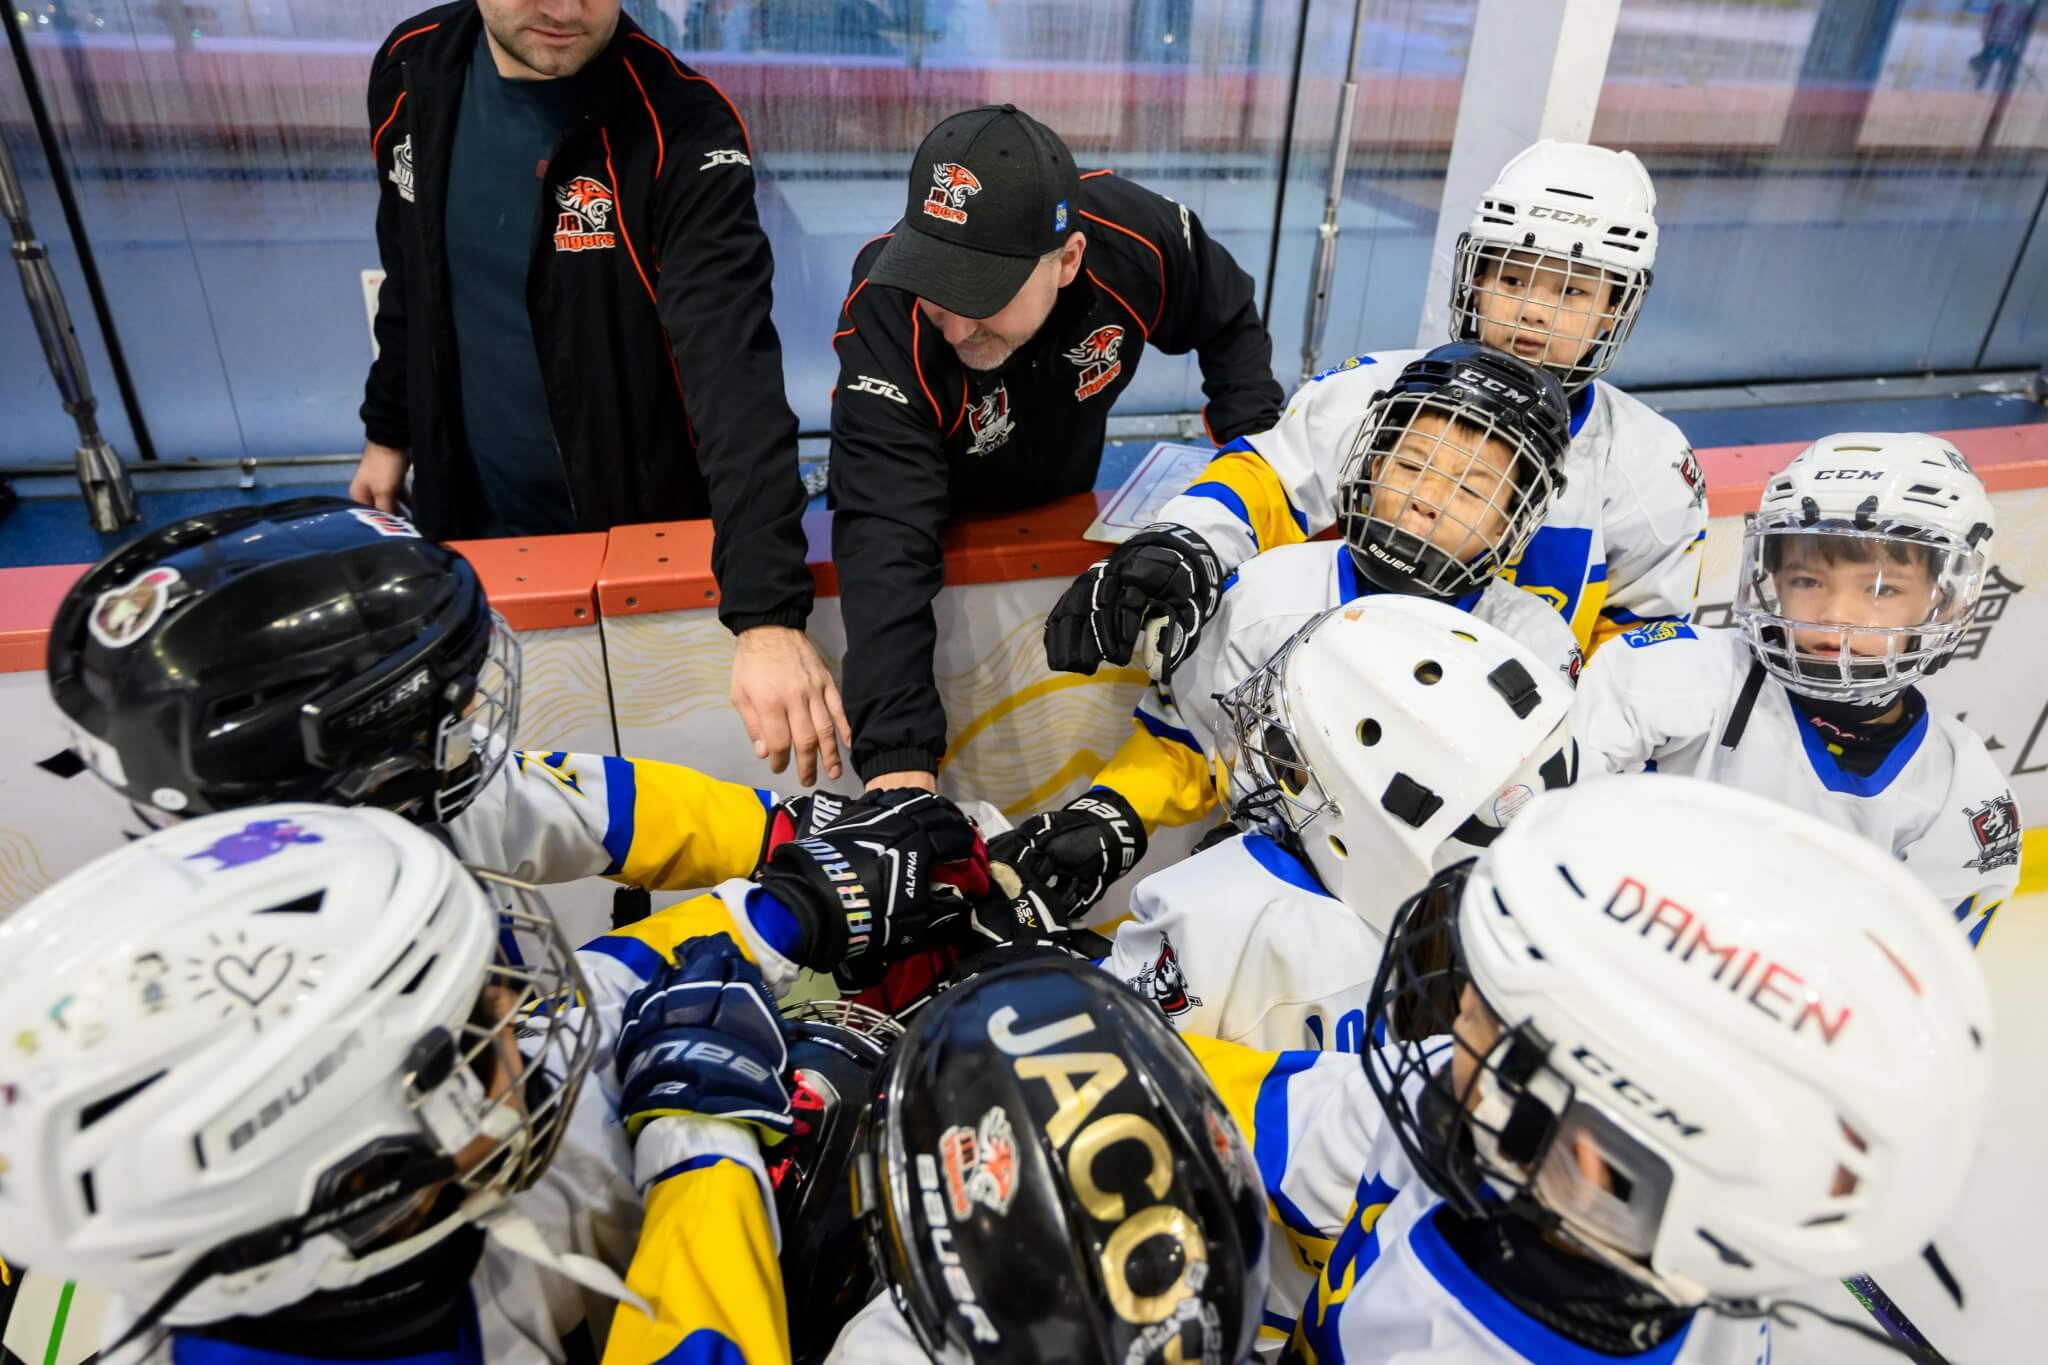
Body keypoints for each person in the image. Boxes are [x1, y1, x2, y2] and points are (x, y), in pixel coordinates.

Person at [567, 775, 1994, 1363]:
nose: (1448, 1028)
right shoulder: (1517, 1144)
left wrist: (702, 1152)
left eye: (1492, 1027)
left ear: (1605, 1160)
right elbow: (1264, 1107)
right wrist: (1030, 988)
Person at [0, 783, 989, 1364]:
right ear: (363, 1171)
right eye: (485, 1014)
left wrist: (779, 911)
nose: (519, 1005)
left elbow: (559, 1030)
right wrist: (705, 1150)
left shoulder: (243, 1234)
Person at [354, 0, 847, 784]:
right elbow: (409, 267)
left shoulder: (683, 126)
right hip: (469, 520)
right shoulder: (411, 67)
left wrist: (767, 614)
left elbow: (735, 375)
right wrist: (390, 429)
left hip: (639, 540)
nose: (565, 8)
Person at [1046, 139, 1705, 685]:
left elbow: (1638, 655)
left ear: (1615, 309)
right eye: (1511, 278)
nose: (1534, 311)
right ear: (1474, 278)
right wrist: (1184, 543)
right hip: (1335, 700)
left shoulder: (1648, 464)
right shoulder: (1373, 390)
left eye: (1573, 291)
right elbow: (1264, 482)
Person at [44, 498, 846, 945]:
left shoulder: (342, 808)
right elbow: (563, 1042)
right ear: (341, 737)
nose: (467, 707)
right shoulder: (298, 963)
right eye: (445, 694)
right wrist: (790, 910)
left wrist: (797, 832)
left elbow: (559, 803)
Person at [1006, 345, 1578, 922]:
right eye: (1411, 466)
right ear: (1372, 463)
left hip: (1432, 927)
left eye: (1472, 489)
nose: (1425, 501)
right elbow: (1195, 739)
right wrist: (1112, 816)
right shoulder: (1267, 592)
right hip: (1265, 903)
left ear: (1513, 519)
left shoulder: (1535, 650)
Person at [828, 103, 1285, 795]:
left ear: (1068, 260)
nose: (954, 328)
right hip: (937, 526)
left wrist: (1256, 490)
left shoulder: (1134, 237)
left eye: (980, 294)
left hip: (1066, 505)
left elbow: (1226, 319)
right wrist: (897, 765)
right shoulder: (887, 307)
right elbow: (882, 534)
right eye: (936, 287)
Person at [1571, 432, 2018, 946]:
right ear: (1774, 579)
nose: (1835, 615)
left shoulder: (1960, 794)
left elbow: (1907, 971)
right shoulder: (1673, 673)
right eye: (1807, 581)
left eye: (1884, 589)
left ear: (1947, 602)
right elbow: (1546, 833)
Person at [1099, 595, 1577, 1051]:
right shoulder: (1559, 927)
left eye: (1294, 751)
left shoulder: (1220, 909)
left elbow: (1105, 1052)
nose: (1280, 757)